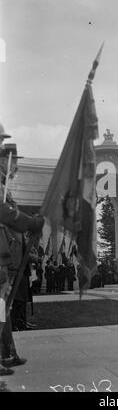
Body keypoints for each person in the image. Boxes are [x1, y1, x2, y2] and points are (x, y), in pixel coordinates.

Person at [0, 143, 44, 375]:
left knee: (2, 309)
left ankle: (7, 354)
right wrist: (30, 222)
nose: (16, 167)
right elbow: (5, 213)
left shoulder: (4, 186)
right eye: (14, 161)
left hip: (8, 258)